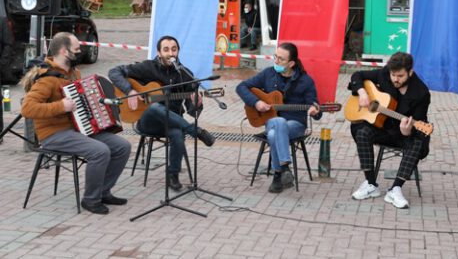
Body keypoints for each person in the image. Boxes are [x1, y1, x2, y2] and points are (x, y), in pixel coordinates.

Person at [20, 32, 131, 214]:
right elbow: (27, 109)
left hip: (78, 128)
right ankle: (91, 199)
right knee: (99, 151)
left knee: (122, 146)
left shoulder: (73, 73)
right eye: (77, 49)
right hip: (53, 134)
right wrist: (60, 106)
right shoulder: (47, 78)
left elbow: (80, 100)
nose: (80, 52)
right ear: (65, 51)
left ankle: (103, 191)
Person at [108, 35, 216, 192]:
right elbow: (114, 72)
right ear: (159, 52)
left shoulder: (185, 75)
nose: (170, 53)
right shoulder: (147, 67)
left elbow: (192, 111)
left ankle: (173, 175)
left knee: (178, 134)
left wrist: (196, 103)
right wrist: (129, 90)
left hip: (172, 121)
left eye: (174, 49)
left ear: (178, 51)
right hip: (148, 122)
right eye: (166, 50)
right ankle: (195, 132)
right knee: (153, 108)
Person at [348, 52, 430, 209]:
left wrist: (407, 131)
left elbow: (419, 123)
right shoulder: (385, 73)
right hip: (383, 128)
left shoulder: (421, 93)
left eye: (400, 76)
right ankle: (371, 184)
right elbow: (357, 75)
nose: (395, 79)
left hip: (403, 133)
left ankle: (396, 189)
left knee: (417, 142)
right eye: (393, 75)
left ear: (410, 72)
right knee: (361, 130)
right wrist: (362, 92)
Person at [236, 42, 321, 193]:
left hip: (296, 125)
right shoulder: (269, 74)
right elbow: (241, 87)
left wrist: (316, 110)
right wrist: (256, 103)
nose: (276, 61)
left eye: (281, 59)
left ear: (291, 63)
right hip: (271, 121)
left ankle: (278, 174)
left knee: (275, 133)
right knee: (278, 123)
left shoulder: (305, 81)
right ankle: (284, 169)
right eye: (275, 57)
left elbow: (316, 107)